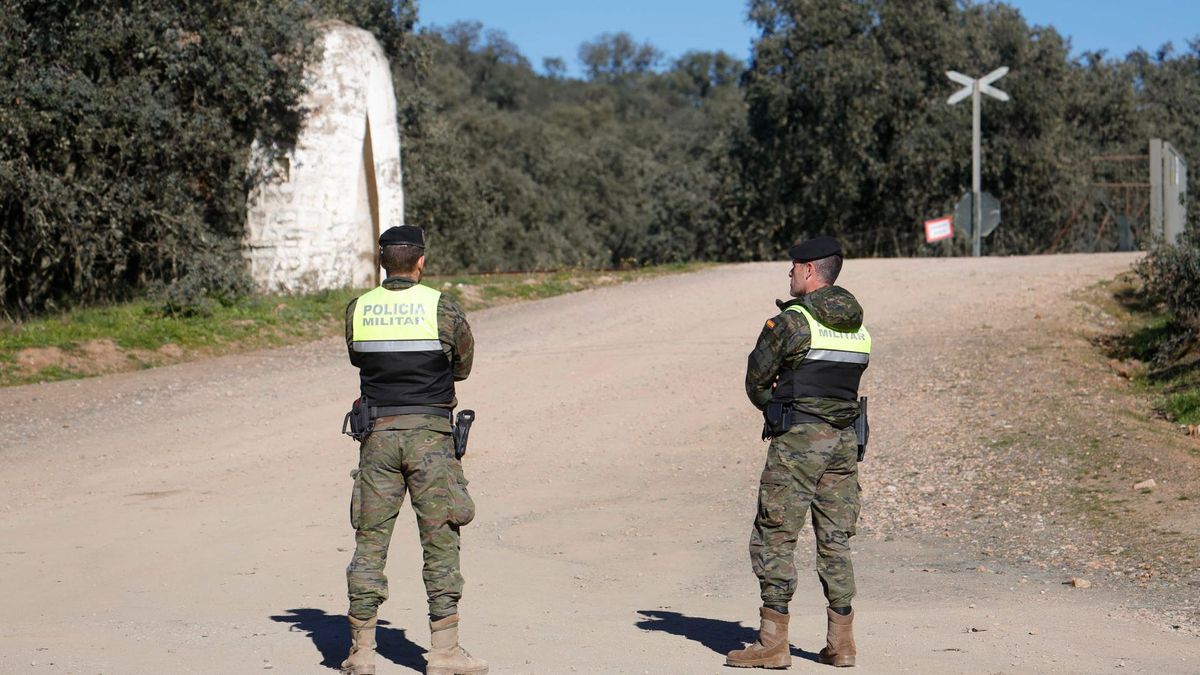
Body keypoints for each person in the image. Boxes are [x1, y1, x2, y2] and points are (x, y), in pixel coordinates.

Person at [340, 225, 488, 675]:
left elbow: (358, 358)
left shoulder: (359, 309)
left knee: (370, 541)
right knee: (441, 538)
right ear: (420, 261)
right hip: (431, 440)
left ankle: (362, 653)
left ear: (383, 262)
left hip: (377, 437)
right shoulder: (442, 308)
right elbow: (462, 366)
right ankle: (444, 652)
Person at [727, 236, 871, 669]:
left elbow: (756, 380)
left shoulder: (792, 322)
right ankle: (841, 643)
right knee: (835, 538)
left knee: (775, 533)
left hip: (798, 442)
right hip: (845, 442)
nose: (788, 274)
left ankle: (773, 644)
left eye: (792, 267)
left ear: (810, 270)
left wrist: (774, 402)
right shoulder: (858, 327)